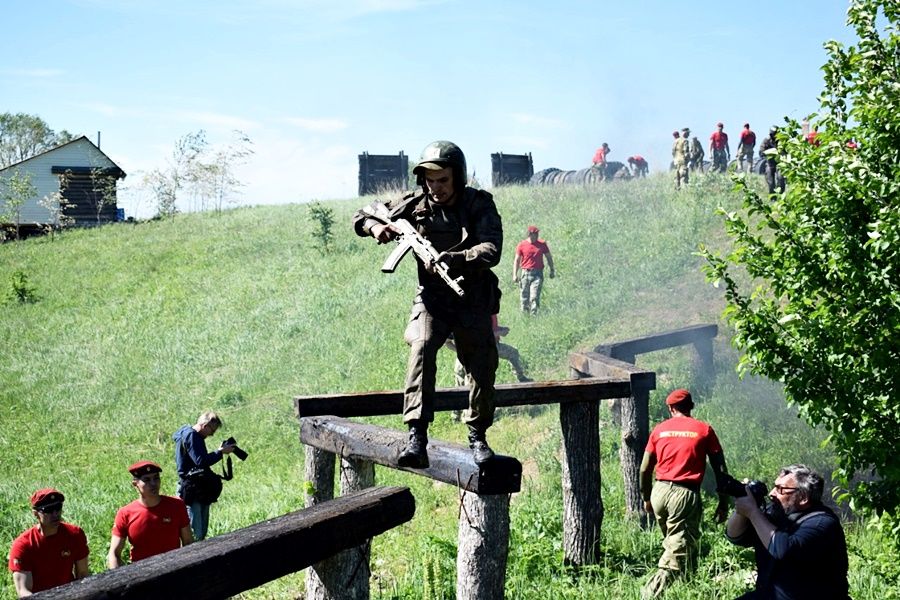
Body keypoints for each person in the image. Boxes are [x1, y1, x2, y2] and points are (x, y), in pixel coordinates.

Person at [353, 140, 503, 467]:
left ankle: (478, 435)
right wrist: (377, 227)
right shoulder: (415, 205)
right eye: (430, 181)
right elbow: (363, 214)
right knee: (421, 347)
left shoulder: (478, 204)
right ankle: (416, 437)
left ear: (457, 177)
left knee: (481, 364)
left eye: (443, 180)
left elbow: (492, 249)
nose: (436, 188)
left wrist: (455, 258)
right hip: (432, 299)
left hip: (471, 296)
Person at [639, 389, 730, 599]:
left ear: (670, 408)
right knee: (676, 554)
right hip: (684, 494)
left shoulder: (659, 430)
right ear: (691, 407)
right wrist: (724, 502)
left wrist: (646, 497)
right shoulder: (704, 430)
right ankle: (648, 594)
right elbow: (721, 470)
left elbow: (644, 469)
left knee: (679, 543)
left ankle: (689, 590)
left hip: (659, 491)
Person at [726, 464, 850, 599]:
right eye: (774, 486)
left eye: (780, 489)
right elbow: (735, 536)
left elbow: (784, 549)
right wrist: (743, 509)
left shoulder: (822, 523)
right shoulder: (776, 514)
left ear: (803, 497)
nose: (772, 493)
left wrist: (753, 512)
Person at [108, 461, 193, 567]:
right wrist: (117, 579)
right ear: (135, 484)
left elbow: (188, 543)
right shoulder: (125, 513)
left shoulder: (177, 506)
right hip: (141, 575)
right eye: (147, 480)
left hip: (173, 569)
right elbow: (114, 554)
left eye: (156, 478)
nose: (153, 483)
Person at [8, 489, 89, 597]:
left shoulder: (75, 535)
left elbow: (82, 575)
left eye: (58, 507)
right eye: (49, 510)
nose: (55, 513)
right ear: (36, 514)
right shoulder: (23, 545)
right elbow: (23, 591)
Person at [173, 411, 236, 541]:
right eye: (212, 431)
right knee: (196, 533)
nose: (211, 435)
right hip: (192, 488)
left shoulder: (190, 434)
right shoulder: (191, 435)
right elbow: (201, 461)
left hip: (199, 487)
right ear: (204, 425)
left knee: (200, 530)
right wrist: (220, 453)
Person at [513, 225, 555, 315]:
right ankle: (525, 317)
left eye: (537, 233)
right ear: (529, 234)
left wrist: (552, 270)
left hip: (537, 274)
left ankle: (534, 315)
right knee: (524, 297)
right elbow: (517, 260)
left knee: (534, 296)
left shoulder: (542, 244)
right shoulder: (522, 245)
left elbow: (549, 257)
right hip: (525, 273)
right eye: (534, 234)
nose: (536, 235)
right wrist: (514, 274)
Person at [760, 126, 785, 194]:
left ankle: (781, 195)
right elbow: (761, 151)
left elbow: (787, 150)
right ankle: (773, 197)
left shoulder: (782, 141)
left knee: (781, 178)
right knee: (770, 181)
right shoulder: (766, 140)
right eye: (773, 134)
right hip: (770, 163)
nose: (775, 136)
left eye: (776, 134)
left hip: (780, 162)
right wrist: (768, 152)